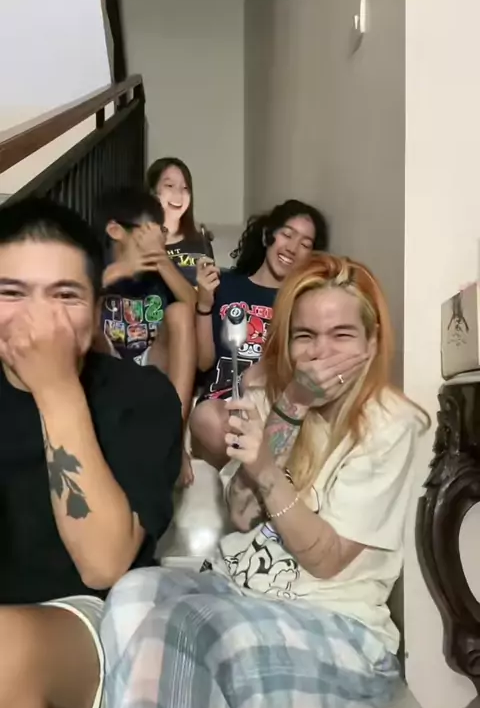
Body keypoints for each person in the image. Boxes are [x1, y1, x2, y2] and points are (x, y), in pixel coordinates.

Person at [100, 253, 429, 708]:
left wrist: (269, 471)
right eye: (304, 336)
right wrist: (291, 408)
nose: (320, 353)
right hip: (244, 597)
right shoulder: (281, 404)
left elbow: (325, 560)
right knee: (132, 593)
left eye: (341, 335)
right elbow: (240, 512)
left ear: (373, 342)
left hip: (339, 631)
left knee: (185, 629)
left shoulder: (390, 424)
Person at [0, 197, 182, 708]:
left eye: (65, 296)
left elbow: (103, 563)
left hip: (92, 620)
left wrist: (55, 389)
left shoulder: (139, 396)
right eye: (12, 293)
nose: (39, 320)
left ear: (97, 309)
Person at [190, 199, 329, 469]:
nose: (292, 248)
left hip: (271, 403)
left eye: (305, 244)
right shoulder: (225, 285)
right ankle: (253, 474)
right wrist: (204, 305)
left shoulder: (302, 302)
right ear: (268, 236)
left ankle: (250, 475)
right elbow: (204, 363)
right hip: (222, 401)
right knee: (207, 418)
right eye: (287, 234)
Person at [95, 188, 197, 485]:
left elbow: (194, 305)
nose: (158, 239)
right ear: (116, 230)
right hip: (107, 360)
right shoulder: (95, 266)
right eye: (148, 231)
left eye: (160, 232)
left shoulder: (161, 272)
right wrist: (117, 272)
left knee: (180, 313)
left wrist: (162, 261)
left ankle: (174, 440)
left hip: (152, 363)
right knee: (84, 313)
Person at [147, 156, 214, 286]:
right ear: (152, 191)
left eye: (185, 188)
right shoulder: (139, 241)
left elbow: (211, 292)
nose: (178, 194)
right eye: (170, 185)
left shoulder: (201, 242)